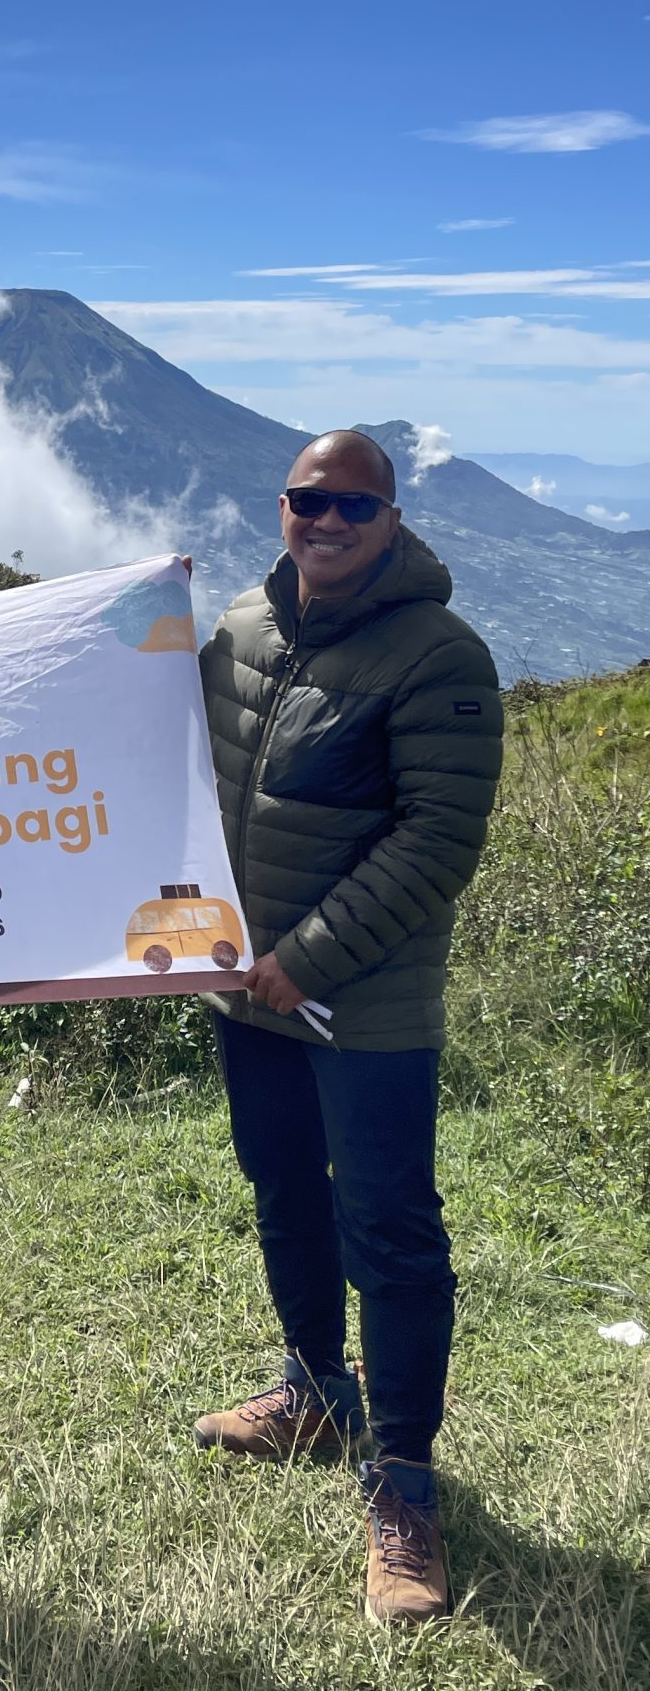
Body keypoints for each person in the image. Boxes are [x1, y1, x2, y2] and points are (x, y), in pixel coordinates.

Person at [194, 430, 503, 1624]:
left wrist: (304, 959)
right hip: (243, 988)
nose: (325, 521)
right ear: (281, 506)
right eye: (306, 499)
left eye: (352, 506)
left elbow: (438, 845)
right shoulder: (241, 627)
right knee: (282, 1187)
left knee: (392, 1227)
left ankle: (405, 1480)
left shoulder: (440, 655)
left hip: (362, 1003)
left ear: (391, 517)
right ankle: (316, 1389)